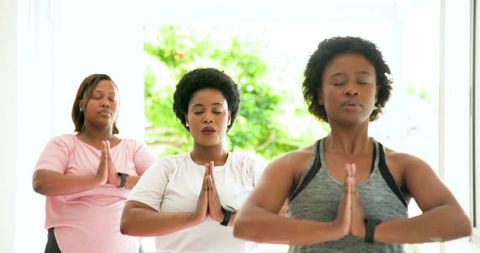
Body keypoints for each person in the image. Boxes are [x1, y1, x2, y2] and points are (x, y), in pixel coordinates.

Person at [233, 36, 472, 252]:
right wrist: (334, 229)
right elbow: (246, 224)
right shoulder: (292, 165)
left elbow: (457, 222)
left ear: (377, 93)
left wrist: (367, 230)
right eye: (338, 83)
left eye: (363, 82)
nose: (351, 90)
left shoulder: (404, 166)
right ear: (320, 94)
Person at [120, 68, 265, 253]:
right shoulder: (166, 169)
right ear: (186, 118)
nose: (208, 118)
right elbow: (129, 222)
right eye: (198, 111)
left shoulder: (250, 167)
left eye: (216, 110)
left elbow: (283, 218)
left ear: (228, 117)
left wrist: (224, 216)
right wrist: (194, 217)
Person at [32, 73, 156, 253]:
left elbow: (161, 185)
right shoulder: (64, 144)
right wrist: (96, 180)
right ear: (81, 104)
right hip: (65, 246)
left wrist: (118, 180)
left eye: (112, 99)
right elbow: (41, 182)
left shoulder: (134, 148)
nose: (105, 103)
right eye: (97, 97)